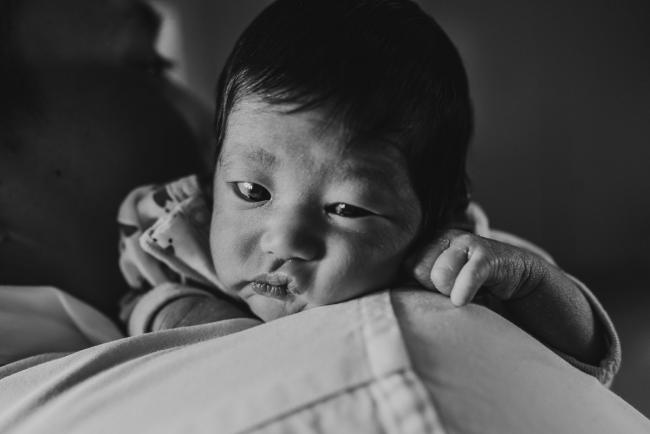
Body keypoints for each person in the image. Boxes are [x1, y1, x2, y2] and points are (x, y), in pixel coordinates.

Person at [116, 0, 618, 386]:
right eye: (251, 190)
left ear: (435, 216)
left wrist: (529, 280)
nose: (285, 239)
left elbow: (585, 352)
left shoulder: (450, 259)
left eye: (345, 208)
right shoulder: (183, 237)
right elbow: (144, 306)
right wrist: (198, 319)